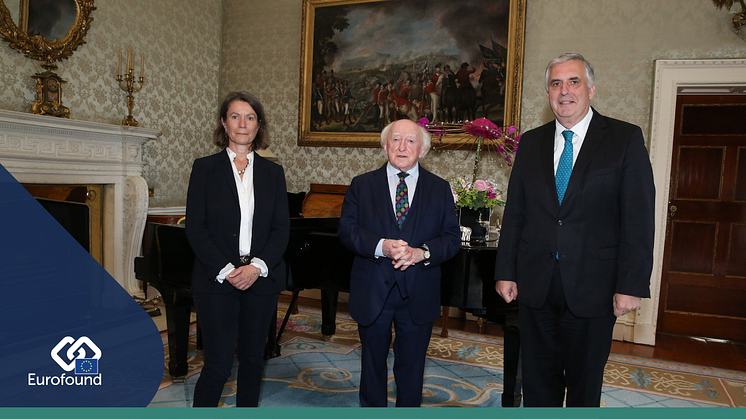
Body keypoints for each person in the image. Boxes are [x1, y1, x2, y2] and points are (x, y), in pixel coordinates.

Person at [494, 53, 655, 407]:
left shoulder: (623, 139)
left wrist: (631, 285)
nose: (564, 91)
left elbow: (639, 218)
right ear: (548, 93)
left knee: (584, 389)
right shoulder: (531, 142)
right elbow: (516, 212)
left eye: (573, 82)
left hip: (594, 288)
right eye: (555, 83)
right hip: (536, 286)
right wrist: (505, 271)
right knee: (537, 385)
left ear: (591, 89)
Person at [338, 119, 460, 407]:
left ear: (422, 150)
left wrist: (422, 253)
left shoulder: (440, 189)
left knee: (412, 369)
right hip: (373, 291)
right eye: (395, 140)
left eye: (410, 141)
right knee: (372, 366)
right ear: (384, 146)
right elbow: (347, 230)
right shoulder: (361, 185)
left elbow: (451, 238)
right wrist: (382, 246)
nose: (402, 147)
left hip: (419, 291)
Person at [186, 91, 290, 407]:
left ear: (259, 125)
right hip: (216, 280)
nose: (242, 124)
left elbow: (281, 228)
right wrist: (229, 271)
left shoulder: (274, 173)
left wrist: (256, 267)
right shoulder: (204, 168)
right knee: (217, 366)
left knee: (253, 361)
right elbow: (196, 228)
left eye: (250, 117)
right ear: (223, 123)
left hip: (261, 280)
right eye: (235, 116)